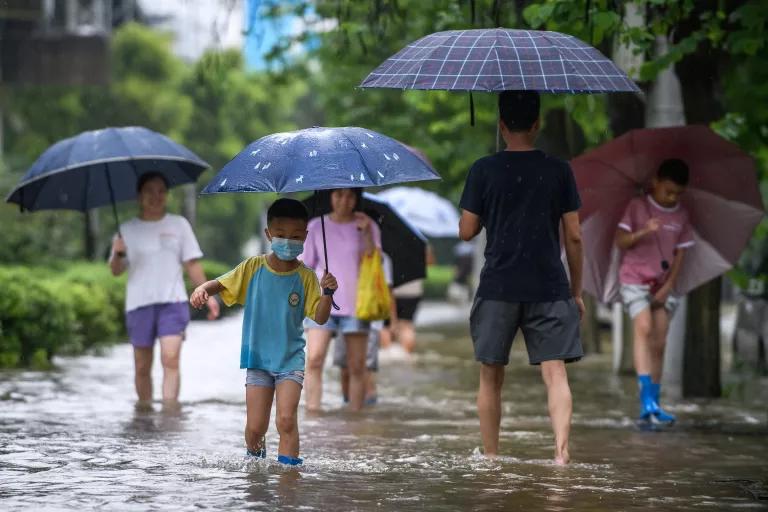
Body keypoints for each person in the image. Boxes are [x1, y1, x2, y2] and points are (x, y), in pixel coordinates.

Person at [458, 91, 584, 464]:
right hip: (549, 284)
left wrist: (482, 209)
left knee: (490, 375)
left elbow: (466, 231)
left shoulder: (483, 170)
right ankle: (561, 454)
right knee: (555, 372)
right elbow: (574, 236)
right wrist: (576, 292)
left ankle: (493, 456)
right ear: (536, 123)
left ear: (500, 124)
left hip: (499, 285)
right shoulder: (560, 170)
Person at [189, 198, 337, 465]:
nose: (287, 241)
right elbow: (221, 284)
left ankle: (288, 478)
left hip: (290, 360)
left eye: (295, 237)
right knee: (256, 428)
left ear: (305, 236)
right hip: (258, 360)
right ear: (268, 234)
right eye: (281, 235)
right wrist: (202, 289)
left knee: (286, 420)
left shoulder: (306, 277)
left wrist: (327, 293)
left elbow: (321, 316)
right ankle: (255, 470)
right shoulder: (253, 267)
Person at [109, 172, 220, 407]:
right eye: (149, 191)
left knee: (170, 358)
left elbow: (191, 262)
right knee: (141, 366)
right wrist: (118, 252)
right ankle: (146, 412)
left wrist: (207, 295)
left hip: (173, 301)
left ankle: (170, 413)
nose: (155, 196)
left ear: (167, 195)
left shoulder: (179, 225)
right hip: (138, 304)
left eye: (161, 191)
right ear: (139, 195)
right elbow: (116, 270)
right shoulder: (126, 229)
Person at [615, 159, 693, 424]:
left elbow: (681, 252)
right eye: (667, 191)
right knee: (644, 327)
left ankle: (655, 403)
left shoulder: (681, 215)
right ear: (655, 183)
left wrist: (669, 285)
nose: (672, 197)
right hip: (635, 280)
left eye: (677, 194)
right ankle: (645, 398)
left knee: (659, 341)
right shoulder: (638, 207)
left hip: (663, 285)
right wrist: (644, 231)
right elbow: (621, 241)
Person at [302, 188, 382, 412]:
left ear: (357, 199)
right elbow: (305, 265)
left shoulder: (367, 226)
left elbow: (373, 261)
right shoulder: (316, 226)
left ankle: (355, 418)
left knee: (356, 366)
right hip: (321, 301)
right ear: (330, 196)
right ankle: (313, 412)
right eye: (338, 195)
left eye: (350, 196)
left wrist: (366, 233)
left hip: (357, 304)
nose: (344, 201)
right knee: (315, 359)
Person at [334, 251, 394, 405]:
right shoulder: (342, 254)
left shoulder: (381, 258)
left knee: (364, 366)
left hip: (370, 319)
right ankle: (348, 403)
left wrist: (391, 322)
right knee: (344, 365)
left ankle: (366, 404)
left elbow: (387, 291)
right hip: (344, 316)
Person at [391, 245, 434, 353]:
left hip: (393, 289)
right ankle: (407, 355)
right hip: (413, 290)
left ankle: (390, 354)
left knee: (388, 324)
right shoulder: (421, 241)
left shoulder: (390, 239)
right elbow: (430, 262)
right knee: (407, 325)